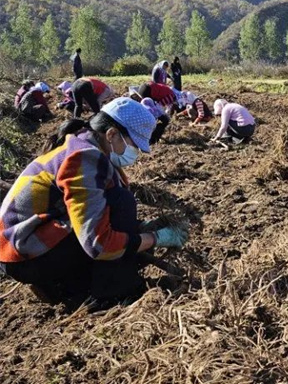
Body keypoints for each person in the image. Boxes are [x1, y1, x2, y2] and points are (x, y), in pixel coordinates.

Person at [0, 98, 188, 309]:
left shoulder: (84, 146)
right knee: (121, 202)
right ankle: (112, 294)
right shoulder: (84, 158)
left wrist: (137, 232)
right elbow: (98, 244)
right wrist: (155, 238)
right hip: (23, 253)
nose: (135, 154)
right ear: (112, 134)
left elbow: (87, 213)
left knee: (122, 222)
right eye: (134, 145)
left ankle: (68, 286)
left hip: (26, 244)